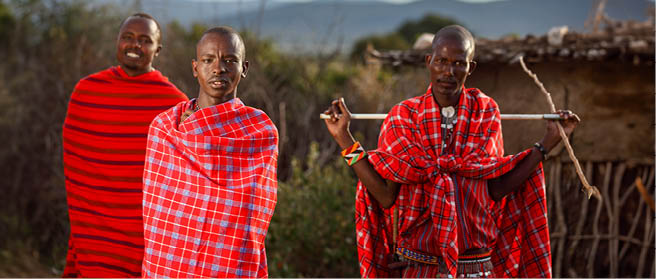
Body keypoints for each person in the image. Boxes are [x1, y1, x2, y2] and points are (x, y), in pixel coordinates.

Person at [324, 25, 579, 278]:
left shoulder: (485, 113)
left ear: (471, 68)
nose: (449, 72)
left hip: (476, 268)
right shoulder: (403, 117)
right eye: (441, 61)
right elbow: (386, 196)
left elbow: (495, 189)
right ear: (428, 61)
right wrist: (344, 138)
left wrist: (547, 143)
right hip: (417, 267)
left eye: (459, 63)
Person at [141, 26, 278, 278]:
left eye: (230, 60)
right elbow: (158, 212)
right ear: (195, 68)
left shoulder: (259, 132)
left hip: (229, 266)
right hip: (168, 266)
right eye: (208, 60)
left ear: (244, 68)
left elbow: (249, 211)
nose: (218, 69)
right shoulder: (165, 128)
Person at [61, 13, 189, 277]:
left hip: (143, 233)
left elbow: (180, 178)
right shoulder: (87, 92)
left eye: (145, 40)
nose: (135, 46)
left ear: (158, 50)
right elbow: (77, 171)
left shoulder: (173, 104)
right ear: (117, 41)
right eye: (127, 38)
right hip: (94, 229)